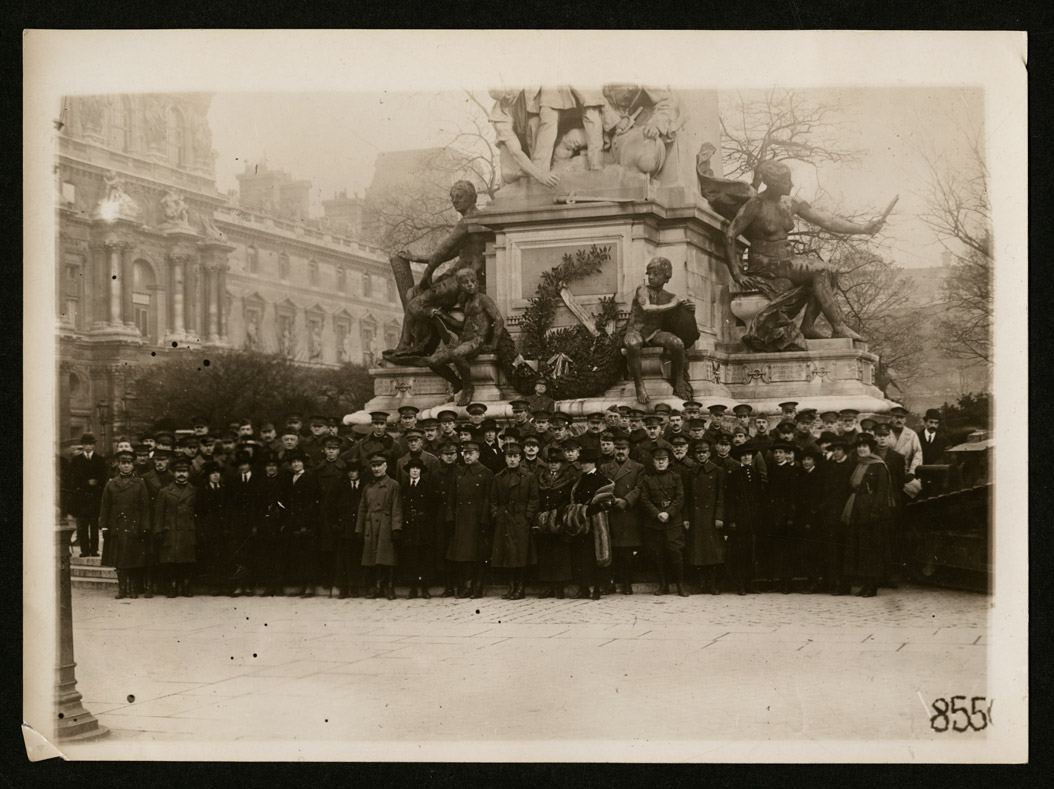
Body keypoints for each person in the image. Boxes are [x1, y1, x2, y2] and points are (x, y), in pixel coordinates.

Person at [723, 159, 885, 349]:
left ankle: (808, 326)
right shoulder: (755, 205)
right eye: (786, 181)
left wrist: (864, 229)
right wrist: (737, 273)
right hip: (766, 265)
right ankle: (838, 327)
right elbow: (730, 235)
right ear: (773, 182)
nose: (791, 184)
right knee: (821, 270)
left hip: (786, 262)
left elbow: (826, 220)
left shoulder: (792, 203)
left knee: (831, 270)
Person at [387, 180, 488, 360]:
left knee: (414, 303)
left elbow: (442, 251)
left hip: (462, 280)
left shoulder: (467, 221)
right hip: (460, 275)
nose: (454, 200)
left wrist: (427, 275)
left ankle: (410, 345)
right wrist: (417, 258)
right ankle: (420, 341)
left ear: (472, 198)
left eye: (459, 196)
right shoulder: (475, 220)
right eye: (452, 197)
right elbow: (451, 252)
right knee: (411, 294)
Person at [400, 269, 505, 406]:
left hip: (477, 340)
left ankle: (468, 387)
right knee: (432, 361)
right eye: (466, 283)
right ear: (460, 286)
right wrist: (442, 315)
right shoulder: (465, 302)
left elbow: (498, 320)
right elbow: (462, 325)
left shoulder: (484, 299)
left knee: (456, 354)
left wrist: (493, 344)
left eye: (472, 281)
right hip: (463, 340)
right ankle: (458, 384)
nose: (470, 285)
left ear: (477, 283)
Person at [624, 256, 696, 404]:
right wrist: (673, 304)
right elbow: (647, 308)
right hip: (636, 331)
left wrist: (690, 310)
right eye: (649, 273)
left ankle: (679, 380)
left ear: (666, 277)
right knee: (632, 344)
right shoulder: (642, 290)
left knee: (677, 344)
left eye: (656, 274)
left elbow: (681, 318)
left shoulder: (669, 296)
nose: (651, 277)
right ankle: (639, 385)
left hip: (654, 333)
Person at [842, 435, 894, 598]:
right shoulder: (858, 464)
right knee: (859, 546)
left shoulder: (878, 466)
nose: (861, 449)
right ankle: (863, 583)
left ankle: (871, 586)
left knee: (870, 549)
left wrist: (875, 513)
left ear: (871, 449)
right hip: (856, 507)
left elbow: (882, 491)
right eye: (859, 446)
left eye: (864, 446)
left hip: (871, 510)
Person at [489, 442, 540, 600]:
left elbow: (534, 499)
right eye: (509, 457)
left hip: (520, 519)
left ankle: (520, 587)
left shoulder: (528, 477)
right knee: (507, 555)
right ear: (505, 459)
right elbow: (493, 499)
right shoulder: (499, 477)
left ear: (520, 458)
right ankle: (511, 587)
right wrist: (496, 514)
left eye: (515, 456)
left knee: (521, 555)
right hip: (504, 519)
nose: (512, 460)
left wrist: (527, 516)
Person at [99, 448, 151, 599]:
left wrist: (145, 526)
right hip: (118, 526)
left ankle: (133, 589)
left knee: (133, 558)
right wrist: (104, 525)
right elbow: (105, 506)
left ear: (133, 465)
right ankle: (122, 589)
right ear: (118, 465)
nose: (126, 466)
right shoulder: (111, 484)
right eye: (123, 463)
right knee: (120, 559)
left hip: (135, 526)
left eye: (129, 463)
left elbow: (145, 507)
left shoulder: (140, 483)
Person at [446, 441, 494, 598]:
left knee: (478, 555)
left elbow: (488, 499)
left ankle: (478, 586)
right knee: (463, 556)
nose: (467, 456)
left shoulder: (486, 473)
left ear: (478, 455)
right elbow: (451, 498)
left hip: (477, 520)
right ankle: (467, 585)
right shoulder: (458, 473)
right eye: (465, 454)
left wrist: (484, 520)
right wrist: (451, 518)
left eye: (470, 453)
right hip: (462, 521)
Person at [639, 447, 688, 596]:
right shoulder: (647, 480)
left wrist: (668, 513)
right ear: (653, 462)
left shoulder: (675, 477)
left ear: (668, 461)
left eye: (663, 460)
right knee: (657, 554)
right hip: (654, 523)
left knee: (675, 553)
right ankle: (663, 585)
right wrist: (657, 513)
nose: (660, 462)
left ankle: (680, 585)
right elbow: (644, 499)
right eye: (657, 460)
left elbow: (680, 497)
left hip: (673, 521)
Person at [565, 447, 613, 600]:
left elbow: (607, 501)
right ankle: (584, 588)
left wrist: (586, 510)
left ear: (594, 464)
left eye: (586, 463)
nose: (583, 465)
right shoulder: (580, 479)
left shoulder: (601, 479)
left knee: (596, 555)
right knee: (581, 556)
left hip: (595, 523)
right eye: (582, 462)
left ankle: (598, 588)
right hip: (581, 524)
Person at [599, 437, 645, 595]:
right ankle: (609, 582)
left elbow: (639, 488)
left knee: (627, 552)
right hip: (610, 512)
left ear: (628, 450)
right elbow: (601, 487)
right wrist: (611, 500)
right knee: (610, 550)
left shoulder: (638, 468)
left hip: (628, 513)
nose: (620, 452)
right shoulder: (604, 468)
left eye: (623, 448)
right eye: (617, 448)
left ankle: (627, 582)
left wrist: (626, 500)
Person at [357, 452, 403, 600]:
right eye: (373, 466)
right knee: (373, 559)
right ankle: (378, 587)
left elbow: (397, 507)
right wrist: (359, 528)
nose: (376, 469)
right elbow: (362, 509)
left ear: (385, 466)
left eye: (379, 466)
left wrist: (396, 527)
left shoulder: (393, 485)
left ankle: (390, 587)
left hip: (385, 524)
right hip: (370, 525)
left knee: (387, 558)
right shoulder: (368, 487)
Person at [533, 445, 575, 599]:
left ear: (561, 463)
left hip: (560, 518)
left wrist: (559, 513)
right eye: (550, 462)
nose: (553, 465)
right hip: (544, 519)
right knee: (546, 553)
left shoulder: (568, 477)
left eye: (556, 462)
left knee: (560, 554)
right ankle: (548, 586)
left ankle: (560, 587)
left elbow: (569, 498)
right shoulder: (541, 477)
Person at [723, 442, 765, 595]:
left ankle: (749, 582)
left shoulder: (755, 475)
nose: (747, 457)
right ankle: (740, 583)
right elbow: (730, 500)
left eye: (749, 455)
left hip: (752, 520)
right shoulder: (734, 475)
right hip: (739, 521)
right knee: (739, 552)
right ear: (740, 457)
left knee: (751, 552)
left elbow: (759, 499)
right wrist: (732, 520)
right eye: (744, 455)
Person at [686, 439, 726, 595]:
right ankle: (702, 583)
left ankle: (712, 584)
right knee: (699, 553)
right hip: (696, 518)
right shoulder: (691, 472)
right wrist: (687, 518)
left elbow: (721, 496)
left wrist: (719, 516)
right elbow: (688, 498)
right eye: (698, 453)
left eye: (704, 452)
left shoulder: (717, 471)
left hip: (711, 518)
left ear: (709, 453)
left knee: (712, 552)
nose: (701, 455)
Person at [153, 456, 197, 597]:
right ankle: (171, 586)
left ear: (188, 473)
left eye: (184, 471)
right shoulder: (164, 492)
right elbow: (159, 514)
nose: (181, 474)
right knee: (170, 561)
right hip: (170, 530)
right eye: (178, 471)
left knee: (187, 560)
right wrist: (159, 530)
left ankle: (185, 586)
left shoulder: (194, 491)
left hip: (188, 531)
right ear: (174, 473)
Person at [400, 457, 441, 599]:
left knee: (423, 557)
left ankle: (424, 588)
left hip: (423, 527)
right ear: (409, 471)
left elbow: (432, 508)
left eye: (417, 468)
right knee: (411, 557)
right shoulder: (404, 487)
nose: (415, 471)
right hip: (409, 527)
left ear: (421, 471)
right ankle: (412, 588)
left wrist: (426, 521)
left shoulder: (427, 487)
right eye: (412, 468)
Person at [282, 450, 320, 597]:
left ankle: (310, 586)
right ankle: (301, 584)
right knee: (297, 554)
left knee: (308, 554)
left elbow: (312, 502)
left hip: (307, 521)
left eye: (298, 462)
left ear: (303, 463)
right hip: (294, 520)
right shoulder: (291, 478)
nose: (296, 464)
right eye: (293, 462)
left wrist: (306, 522)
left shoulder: (309, 477)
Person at [766, 439, 802, 594]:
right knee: (778, 550)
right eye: (776, 453)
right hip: (774, 516)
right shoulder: (773, 470)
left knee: (787, 550)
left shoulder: (791, 471)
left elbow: (794, 496)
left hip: (786, 516)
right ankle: (781, 581)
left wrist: (790, 517)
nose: (779, 455)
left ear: (786, 454)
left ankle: (788, 581)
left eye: (781, 452)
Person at [820, 437, 855, 595]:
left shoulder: (850, 466)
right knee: (831, 549)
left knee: (844, 549)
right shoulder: (830, 465)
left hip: (844, 512)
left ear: (844, 451)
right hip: (830, 513)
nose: (835, 452)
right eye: (834, 450)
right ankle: (831, 582)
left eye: (838, 450)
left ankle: (844, 584)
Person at [226, 451, 262, 596]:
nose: (243, 467)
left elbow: (261, 505)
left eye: (245, 464)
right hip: (238, 525)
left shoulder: (258, 480)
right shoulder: (233, 481)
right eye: (240, 464)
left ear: (250, 465)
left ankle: (249, 585)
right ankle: (239, 585)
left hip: (253, 524)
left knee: (252, 554)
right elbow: (229, 505)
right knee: (239, 555)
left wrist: (256, 524)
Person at [70, 433, 108, 557]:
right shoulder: (76, 460)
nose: (88, 446)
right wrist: (87, 482)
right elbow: (73, 479)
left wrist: (96, 484)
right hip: (81, 499)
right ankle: (84, 550)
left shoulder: (100, 460)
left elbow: (103, 479)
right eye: (85, 444)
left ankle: (94, 550)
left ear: (94, 445)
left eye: (90, 444)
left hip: (95, 498)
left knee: (94, 525)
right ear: (82, 445)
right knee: (82, 526)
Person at [795, 446, 827, 593]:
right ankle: (811, 580)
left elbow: (821, 499)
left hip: (815, 520)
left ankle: (815, 581)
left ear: (814, 461)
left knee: (814, 551)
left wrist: (813, 515)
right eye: (804, 460)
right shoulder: (802, 475)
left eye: (809, 459)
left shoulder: (819, 476)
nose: (806, 462)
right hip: (803, 519)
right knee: (806, 551)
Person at [256, 453, 287, 597]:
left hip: (278, 524)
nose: (271, 468)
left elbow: (288, 504)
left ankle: (279, 585)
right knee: (266, 555)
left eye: (274, 466)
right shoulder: (260, 482)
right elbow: (255, 505)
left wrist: (284, 522)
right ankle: (268, 585)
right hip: (264, 523)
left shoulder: (284, 481)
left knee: (279, 555)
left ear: (278, 468)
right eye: (268, 466)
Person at [333, 463, 366, 599]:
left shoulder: (365, 486)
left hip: (359, 527)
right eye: (349, 471)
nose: (351, 474)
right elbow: (331, 506)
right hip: (344, 528)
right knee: (343, 558)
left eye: (354, 471)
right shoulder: (341, 486)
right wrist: (336, 523)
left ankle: (355, 586)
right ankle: (343, 587)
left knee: (356, 557)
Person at [195, 460, 227, 594]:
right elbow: (199, 512)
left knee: (223, 555)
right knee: (211, 556)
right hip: (209, 528)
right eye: (212, 473)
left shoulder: (224, 488)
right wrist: (202, 529)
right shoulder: (203, 490)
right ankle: (213, 585)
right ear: (208, 475)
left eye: (217, 473)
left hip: (223, 528)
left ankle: (223, 585)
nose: (215, 476)